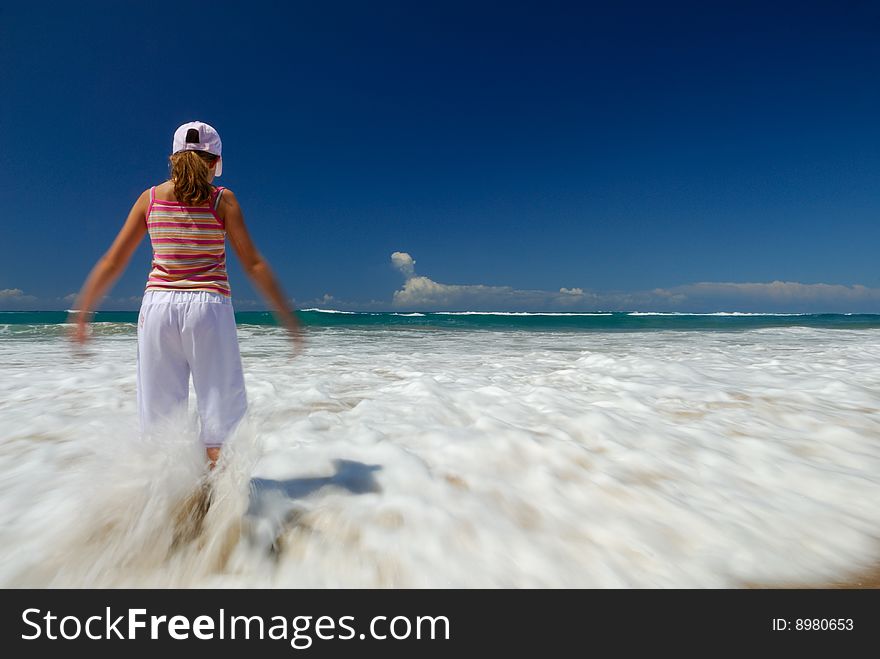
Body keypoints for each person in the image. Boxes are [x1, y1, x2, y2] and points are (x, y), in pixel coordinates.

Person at [69, 121, 302, 469]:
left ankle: (170, 511)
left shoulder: (148, 200)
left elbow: (113, 261)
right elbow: (253, 264)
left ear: (174, 158)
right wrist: (288, 319)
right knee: (222, 427)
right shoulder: (223, 200)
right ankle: (218, 511)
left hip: (158, 310)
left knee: (161, 428)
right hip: (209, 309)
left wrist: (82, 315)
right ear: (214, 162)